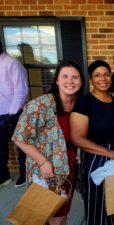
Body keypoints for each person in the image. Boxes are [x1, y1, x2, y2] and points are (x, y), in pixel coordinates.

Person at [12, 60, 84, 225]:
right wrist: (43, 162)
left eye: (75, 77)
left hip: (70, 165)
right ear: (57, 80)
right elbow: (19, 137)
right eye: (65, 76)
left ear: (81, 82)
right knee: (47, 213)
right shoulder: (40, 105)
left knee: (62, 210)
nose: (70, 81)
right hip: (45, 168)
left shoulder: (80, 105)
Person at [70, 60, 114, 225]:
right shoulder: (84, 103)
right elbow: (77, 138)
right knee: (98, 207)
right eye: (97, 75)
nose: (102, 78)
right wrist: (109, 153)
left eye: (106, 74)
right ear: (90, 79)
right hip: (96, 158)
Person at [0, 40, 28, 188]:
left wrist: (12, 113)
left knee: (21, 146)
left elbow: (21, 90)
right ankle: (4, 176)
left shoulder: (12, 63)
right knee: (0, 148)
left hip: (13, 113)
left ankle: (24, 175)